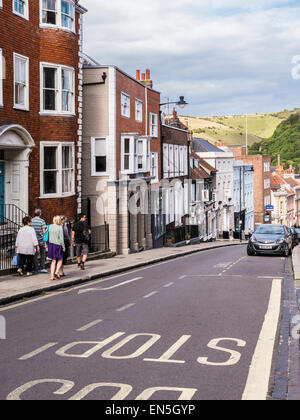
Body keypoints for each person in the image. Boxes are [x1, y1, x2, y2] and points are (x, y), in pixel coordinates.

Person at [48, 216, 65, 281]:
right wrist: (63, 247)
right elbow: (61, 239)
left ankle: (52, 276)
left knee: (53, 261)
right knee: (60, 259)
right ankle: (57, 271)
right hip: (57, 245)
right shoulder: (60, 227)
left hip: (51, 245)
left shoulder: (50, 226)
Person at [31, 209, 48, 274]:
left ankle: (36, 268)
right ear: (40, 214)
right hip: (41, 239)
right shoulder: (42, 221)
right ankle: (42, 268)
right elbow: (44, 232)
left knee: (34, 254)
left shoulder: (31, 220)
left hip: (33, 240)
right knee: (43, 254)